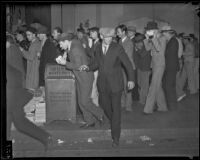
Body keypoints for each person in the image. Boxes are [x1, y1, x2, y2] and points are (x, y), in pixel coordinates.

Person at [79, 28, 135, 147]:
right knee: (104, 105)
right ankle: (114, 120)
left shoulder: (117, 48)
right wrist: (87, 67)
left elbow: (128, 64)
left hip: (115, 84)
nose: (109, 39)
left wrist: (131, 79)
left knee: (116, 111)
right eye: (106, 37)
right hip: (103, 84)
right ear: (101, 36)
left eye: (111, 37)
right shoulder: (98, 47)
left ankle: (116, 137)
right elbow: (96, 63)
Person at [56, 33, 105, 129]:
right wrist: (66, 54)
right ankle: (90, 121)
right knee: (81, 102)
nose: (60, 46)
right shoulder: (73, 45)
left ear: (66, 41)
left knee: (85, 101)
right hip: (81, 77)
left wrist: (65, 62)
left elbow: (78, 66)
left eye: (61, 44)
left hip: (85, 77)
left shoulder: (75, 49)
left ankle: (101, 114)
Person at [6, 62, 56, 151]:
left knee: (17, 123)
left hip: (10, 93)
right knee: (19, 122)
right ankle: (46, 137)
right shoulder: (13, 71)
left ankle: (46, 137)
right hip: (13, 92)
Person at [143, 22, 168, 114]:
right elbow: (147, 48)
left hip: (160, 65)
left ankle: (147, 109)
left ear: (155, 30)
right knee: (158, 86)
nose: (148, 31)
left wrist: (153, 38)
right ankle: (162, 107)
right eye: (148, 30)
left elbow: (160, 50)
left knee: (153, 86)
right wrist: (146, 39)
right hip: (154, 65)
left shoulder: (162, 38)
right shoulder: (155, 38)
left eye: (149, 30)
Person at [116, 24, 135, 112]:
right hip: (121, 67)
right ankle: (122, 104)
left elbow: (126, 57)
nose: (117, 34)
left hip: (127, 68)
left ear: (123, 32)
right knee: (121, 86)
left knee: (128, 87)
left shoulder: (129, 42)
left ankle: (128, 107)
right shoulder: (120, 41)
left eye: (118, 32)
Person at [37, 25, 60, 92]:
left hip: (47, 73)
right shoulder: (44, 43)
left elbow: (49, 62)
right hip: (45, 73)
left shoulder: (49, 44)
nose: (37, 35)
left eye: (39, 34)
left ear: (44, 34)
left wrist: (45, 76)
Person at [162, 25, 179, 110]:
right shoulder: (171, 41)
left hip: (171, 67)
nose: (163, 35)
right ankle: (171, 104)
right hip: (170, 67)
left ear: (168, 33)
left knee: (169, 86)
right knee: (168, 85)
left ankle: (172, 106)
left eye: (164, 33)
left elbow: (168, 54)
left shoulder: (173, 41)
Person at [19, 27, 41, 93]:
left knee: (32, 89)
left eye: (29, 35)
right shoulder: (35, 43)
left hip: (33, 69)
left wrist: (22, 50)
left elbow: (30, 57)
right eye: (26, 35)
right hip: (32, 67)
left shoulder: (35, 44)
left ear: (34, 35)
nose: (27, 37)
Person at [134, 33, 152, 105]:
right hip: (140, 67)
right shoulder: (140, 46)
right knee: (139, 84)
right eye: (137, 42)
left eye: (139, 42)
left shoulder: (147, 45)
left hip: (146, 68)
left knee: (145, 85)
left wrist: (137, 49)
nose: (138, 44)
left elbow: (142, 54)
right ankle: (142, 99)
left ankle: (143, 100)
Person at [88, 27, 102, 106]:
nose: (90, 35)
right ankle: (95, 105)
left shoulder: (99, 43)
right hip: (93, 67)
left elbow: (94, 56)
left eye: (91, 33)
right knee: (94, 87)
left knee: (94, 87)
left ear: (97, 33)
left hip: (96, 68)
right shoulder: (95, 42)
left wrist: (88, 47)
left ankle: (96, 106)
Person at [127, 26, 140, 101]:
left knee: (133, 80)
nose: (128, 33)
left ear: (133, 33)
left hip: (134, 63)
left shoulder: (135, 40)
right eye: (128, 31)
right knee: (133, 80)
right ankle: (134, 97)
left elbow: (135, 53)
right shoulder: (130, 40)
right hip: (132, 62)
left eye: (129, 32)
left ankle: (135, 98)